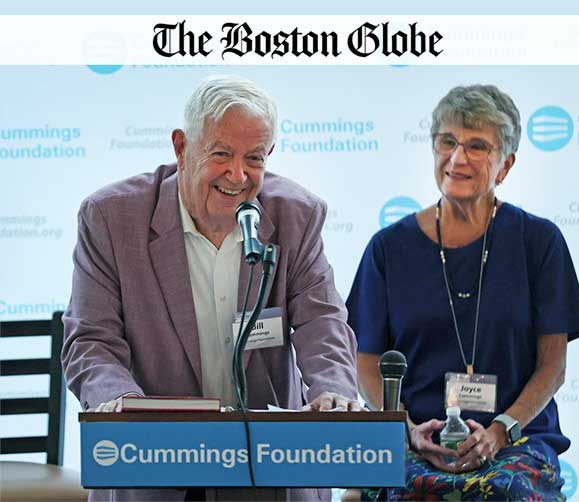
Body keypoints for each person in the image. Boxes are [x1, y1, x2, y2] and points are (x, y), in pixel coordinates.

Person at [62, 74, 359, 502]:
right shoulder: (111, 218)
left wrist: (333, 391)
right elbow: (91, 340)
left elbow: (322, 321)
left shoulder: (298, 216)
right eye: (221, 154)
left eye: (254, 158)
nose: (237, 175)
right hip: (154, 467)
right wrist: (120, 403)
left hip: (271, 468)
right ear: (181, 147)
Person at [346, 84, 579, 501]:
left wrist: (500, 430)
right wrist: (406, 429)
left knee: (502, 491)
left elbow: (553, 367)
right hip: (417, 439)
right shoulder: (388, 248)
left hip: (516, 437)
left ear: (505, 165)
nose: (457, 158)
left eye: (477, 146)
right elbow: (366, 363)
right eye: (447, 142)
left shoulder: (539, 242)